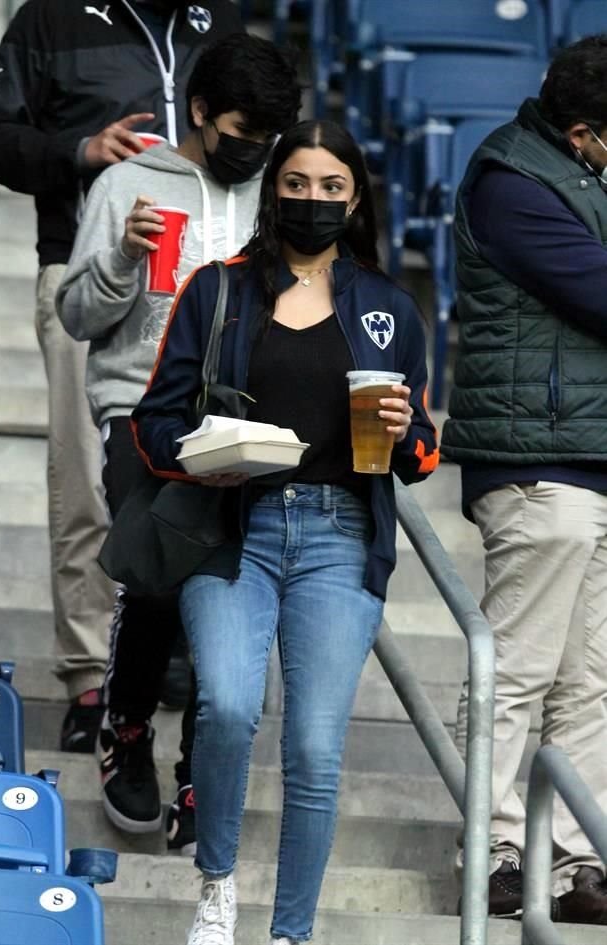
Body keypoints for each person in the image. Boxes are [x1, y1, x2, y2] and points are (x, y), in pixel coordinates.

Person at [132, 119, 439, 945]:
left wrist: (408, 430)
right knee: (228, 705)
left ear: (355, 197)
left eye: (331, 187)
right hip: (235, 526)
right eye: (296, 183)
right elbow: (152, 421)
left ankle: (290, 933)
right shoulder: (218, 289)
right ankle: (218, 886)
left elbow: (417, 457)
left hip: (341, 534)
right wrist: (202, 459)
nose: (313, 200)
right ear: (274, 190)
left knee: (313, 746)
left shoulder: (388, 308)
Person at [0, 0, 244, 752]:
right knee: (89, 476)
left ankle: (177, 646)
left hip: (208, 278)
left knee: (207, 464)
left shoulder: (218, 18)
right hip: (86, 268)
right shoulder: (53, 17)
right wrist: (78, 151)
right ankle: (89, 671)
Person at [56, 32, 301, 847]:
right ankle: (125, 724)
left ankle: (203, 767)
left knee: (229, 590)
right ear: (199, 111)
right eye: (240, 134)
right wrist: (124, 257)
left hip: (249, 417)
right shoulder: (128, 183)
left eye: (266, 141)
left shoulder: (278, 193)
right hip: (140, 407)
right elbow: (80, 318)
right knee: (157, 571)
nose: (253, 153)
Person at [441, 34, 607, 925]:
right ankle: (494, 848)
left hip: (594, 460)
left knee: (591, 678)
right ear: (584, 131)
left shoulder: (580, 174)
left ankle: (581, 857)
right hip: (539, 458)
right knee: (517, 671)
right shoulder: (515, 182)